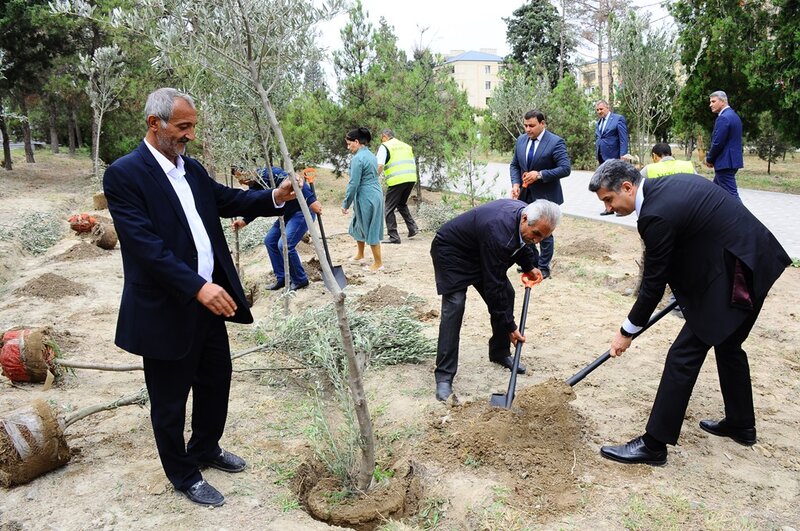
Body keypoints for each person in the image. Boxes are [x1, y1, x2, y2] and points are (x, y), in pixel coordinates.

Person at [103, 88, 297, 507]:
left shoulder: (191, 170)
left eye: (193, 126)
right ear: (155, 124)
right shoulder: (124, 175)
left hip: (209, 304)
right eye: (183, 126)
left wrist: (273, 198)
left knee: (215, 381)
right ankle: (183, 473)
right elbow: (145, 246)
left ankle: (205, 448)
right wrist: (197, 286)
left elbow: (228, 200)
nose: (190, 134)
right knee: (170, 400)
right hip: (166, 308)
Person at [588, 159, 790, 466]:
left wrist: (626, 331)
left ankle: (654, 445)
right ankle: (741, 424)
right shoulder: (669, 186)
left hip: (739, 274)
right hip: (752, 259)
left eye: (609, 199)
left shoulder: (655, 214)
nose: (608, 207)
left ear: (627, 188)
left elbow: (653, 285)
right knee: (728, 344)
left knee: (683, 356)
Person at [430, 198, 562, 401]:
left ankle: (500, 352)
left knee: (508, 294)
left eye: (543, 238)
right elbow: (494, 285)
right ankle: (444, 377)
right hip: (452, 251)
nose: (537, 241)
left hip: (481, 248)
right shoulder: (499, 233)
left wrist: (529, 266)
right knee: (455, 305)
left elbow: (523, 243)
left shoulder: (524, 219)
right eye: (536, 234)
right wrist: (510, 326)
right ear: (525, 219)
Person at [232, 167, 322, 291]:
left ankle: (300, 280)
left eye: (240, 177)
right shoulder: (254, 187)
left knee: (284, 245)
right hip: (286, 215)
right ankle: (283, 278)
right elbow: (258, 205)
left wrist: (312, 201)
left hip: (302, 211)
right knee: (270, 241)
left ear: (248, 171)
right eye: (237, 179)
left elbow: (295, 180)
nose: (241, 182)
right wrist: (244, 221)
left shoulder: (270, 173)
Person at [509, 110, 571, 279]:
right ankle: (531, 263)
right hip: (525, 194)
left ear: (542, 124)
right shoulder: (521, 141)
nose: (528, 129)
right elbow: (515, 165)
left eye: (532, 126)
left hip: (546, 197)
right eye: (525, 125)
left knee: (544, 234)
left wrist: (540, 175)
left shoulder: (555, 142)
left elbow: (565, 169)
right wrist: (515, 184)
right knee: (526, 230)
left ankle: (544, 268)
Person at [342, 127, 384, 272]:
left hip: (367, 195)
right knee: (357, 222)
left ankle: (378, 263)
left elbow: (353, 183)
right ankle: (360, 254)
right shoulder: (371, 155)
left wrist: (346, 203)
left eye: (349, 144)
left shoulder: (358, 159)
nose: (348, 147)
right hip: (375, 192)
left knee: (370, 225)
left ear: (357, 141)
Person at [376, 129, 420, 245]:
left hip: (397, 180)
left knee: (388, 208)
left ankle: (394, 236)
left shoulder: (385, 146)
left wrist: (374, 177)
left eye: (382, 138)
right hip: (410, 178)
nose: (382, 140)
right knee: (401, 204)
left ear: (385, 136)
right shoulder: (405, 145)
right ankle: (413, 228)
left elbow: (380, 165)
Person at [705, 90, 744, 200]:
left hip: (725, 163)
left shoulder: (723, 118)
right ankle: (709, 216)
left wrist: (709, 159)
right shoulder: (733, 115)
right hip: (731, 161)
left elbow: (718, 142)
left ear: (722, 102)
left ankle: (743, 217)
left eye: (713, 101)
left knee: (732, 196)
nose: (710, 104)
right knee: (714, 193)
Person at [595, 100, 629, 215]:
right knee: (605, 184)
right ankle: (609, 208)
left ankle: (621, 208)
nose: (599, 111)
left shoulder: (617, 119)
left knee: (617, 184)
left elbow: (623, 138)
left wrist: (623, 155)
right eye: (597, 110)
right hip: (602, 158)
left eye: (601, 109)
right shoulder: (598, 122)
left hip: (614, 157)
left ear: (607, 107)